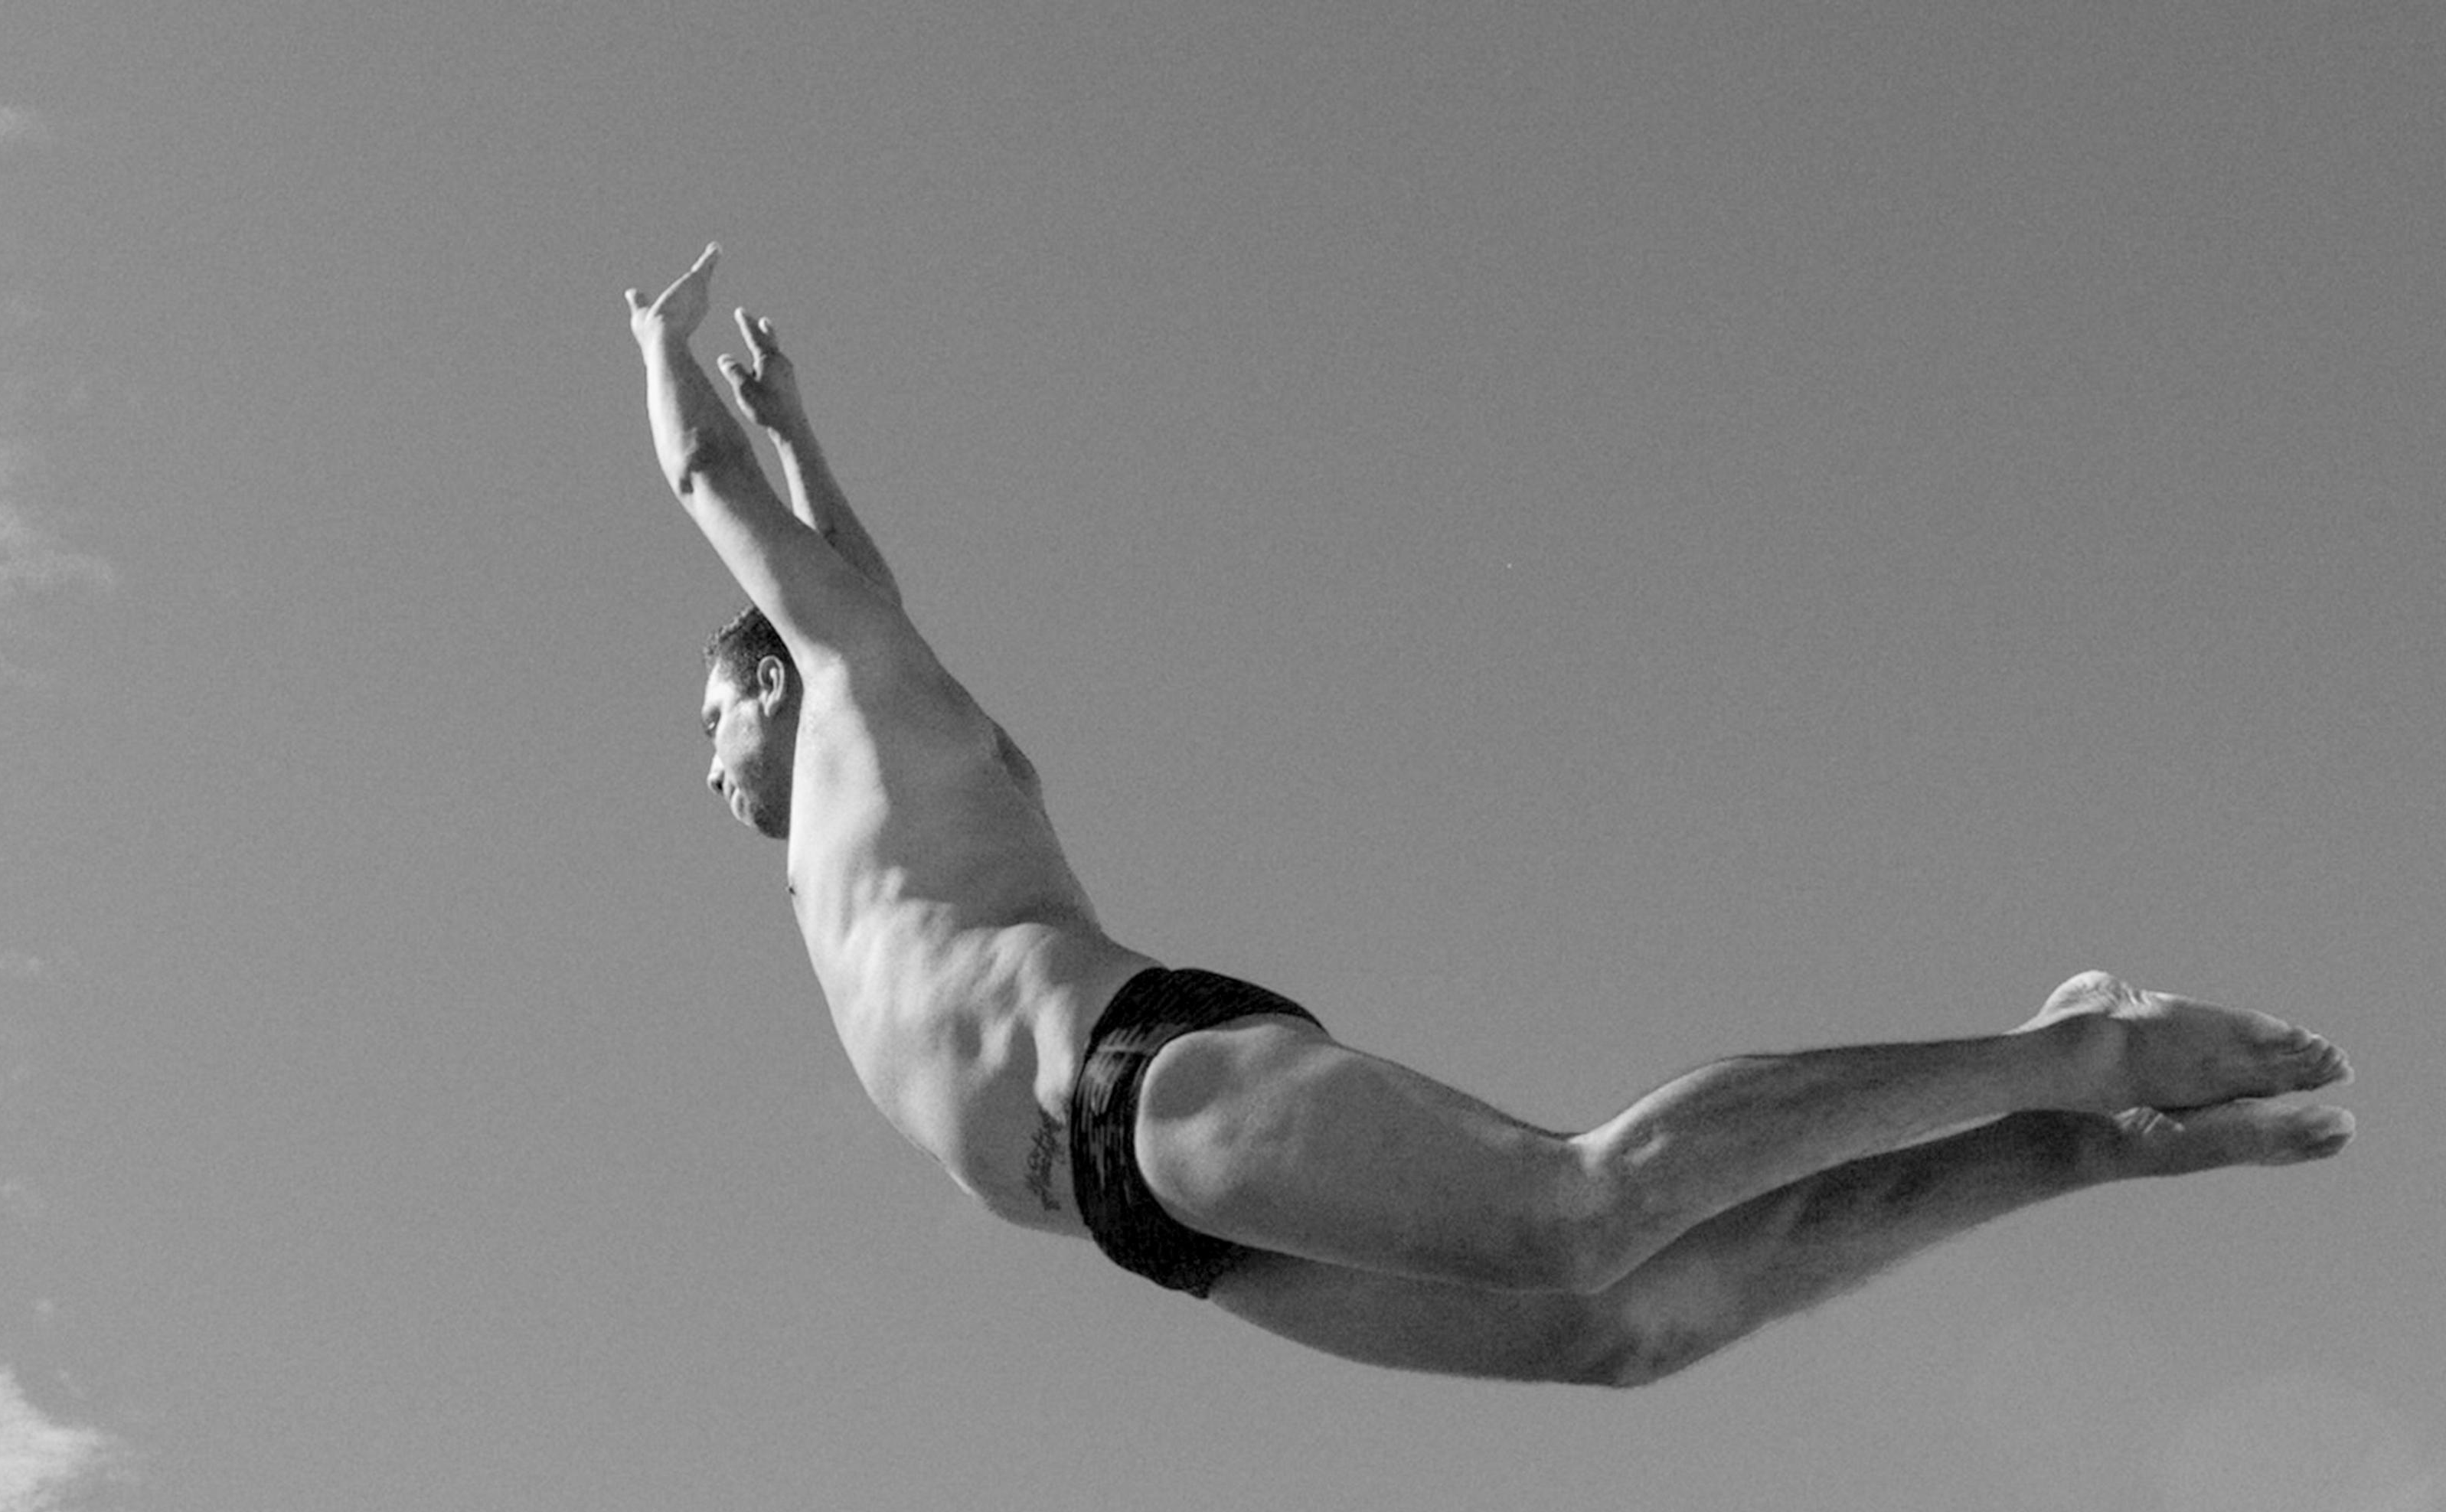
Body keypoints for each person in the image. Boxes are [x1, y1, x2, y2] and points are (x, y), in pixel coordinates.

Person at [625, 244, 2357, 1386]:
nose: (706, 773)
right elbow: (856, 582)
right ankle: (2075, 1139)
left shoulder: (871, 714)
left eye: (711, 723)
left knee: (1574, 1209)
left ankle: (2071, 1055)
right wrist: (807, 450)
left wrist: (672, 362)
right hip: (1155, 1235)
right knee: (1626, 1331)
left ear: (772, 672)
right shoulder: (850, 790)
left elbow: (748, 516)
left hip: (1140, 1094)